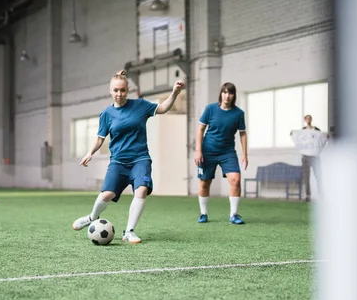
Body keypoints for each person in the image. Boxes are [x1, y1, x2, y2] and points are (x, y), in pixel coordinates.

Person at [72, 70, 185, 243]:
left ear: (127, 90)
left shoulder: (140, 106)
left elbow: (162, 108)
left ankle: (129, 232)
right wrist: (90, 153)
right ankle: (91, 218)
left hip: (140, 158)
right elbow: (100, 138)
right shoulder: (106, 114)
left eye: (122, 90)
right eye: (116, 90)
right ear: (110, 91)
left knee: (141, 190)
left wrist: (174, 93)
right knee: (107, 194)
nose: (119, 94)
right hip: (118, 161)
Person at [194, 82, 248, 224]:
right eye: (224, 92)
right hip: (207, 151)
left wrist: (245, 154)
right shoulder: (210, 109)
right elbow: (200, 129)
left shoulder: (238, 114)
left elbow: (243, 134)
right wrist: (198, 150)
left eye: (230, 93)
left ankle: (234, 215)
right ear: (221, 94)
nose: (227, 96)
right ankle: (203, 213)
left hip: (227, 152)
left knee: (235, 180)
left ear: (234, 95)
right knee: (205, 183)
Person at [290, 115, 327, 202]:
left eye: (309, 118)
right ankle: (308, 195)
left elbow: (321, 138)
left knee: (318, 176)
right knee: (306, 177)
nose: (308, 120)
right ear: (305, 120)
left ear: (311, 120)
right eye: (307, 118)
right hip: (305, 156)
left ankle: (321, 194)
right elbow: (298, 138)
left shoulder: (316, 130)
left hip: (315, 156)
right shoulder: (303, 131)